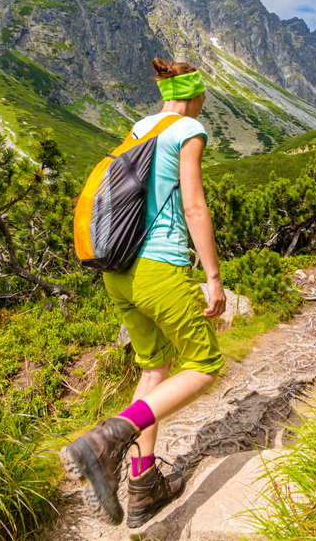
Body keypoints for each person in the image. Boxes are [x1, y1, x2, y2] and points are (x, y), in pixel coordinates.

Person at [60, 59, 227, 528]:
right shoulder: (188, 129)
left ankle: (142, 485)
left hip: (117, 271)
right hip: (159, 267)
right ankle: (103, 442)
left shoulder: (137, 132)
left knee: (155, 368)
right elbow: (194, 206)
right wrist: (212, 275)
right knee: (205, 365)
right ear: (194, 98)